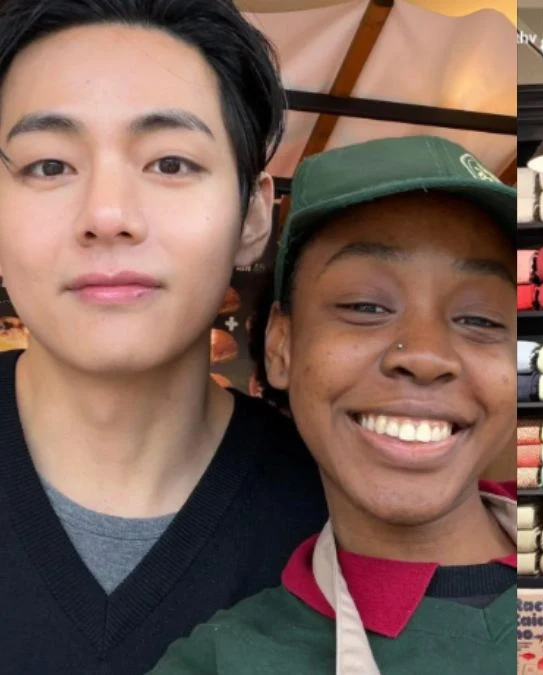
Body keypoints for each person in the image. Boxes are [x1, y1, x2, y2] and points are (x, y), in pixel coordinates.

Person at [0, 1, 328, 672]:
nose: (108, 215)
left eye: (171, 163)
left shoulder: (332, 514)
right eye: (49, 165)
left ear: (254, 214)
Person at [151, 136, 518, 673]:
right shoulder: (222, 660)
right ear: (281, 345)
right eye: (365, 305)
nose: (424, 355)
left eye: (481, 319)